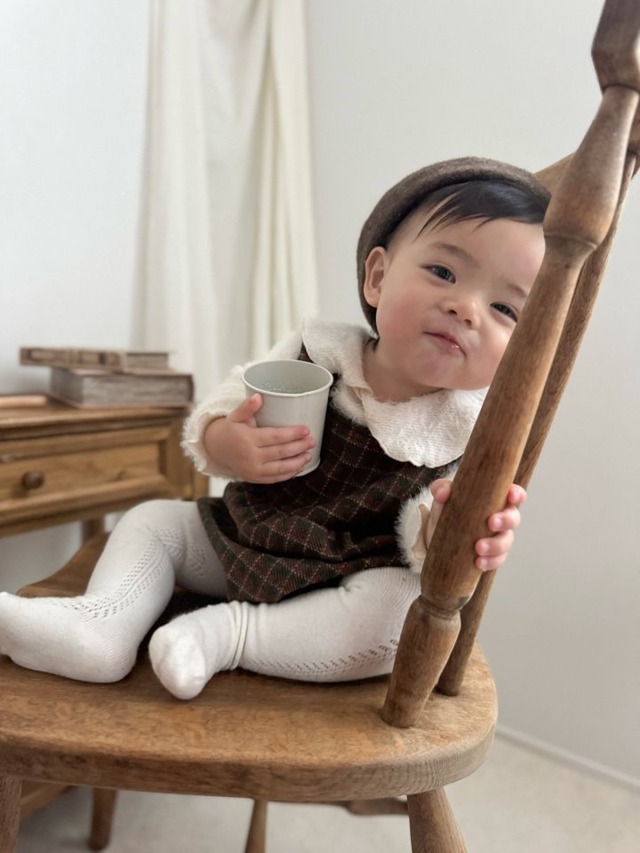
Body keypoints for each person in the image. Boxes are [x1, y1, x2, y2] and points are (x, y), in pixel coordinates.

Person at [0, 156, 549, 700]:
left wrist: (447, 532)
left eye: (505, 308)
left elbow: (428, 548)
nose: (466, 309)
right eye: (444, 273)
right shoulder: (320, 353)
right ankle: (102, 627)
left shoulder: (474, 431)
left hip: (343, 587)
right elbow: (226, 405)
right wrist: (227, 441)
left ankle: (229, 636)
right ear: (378, 278)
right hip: (247, 538)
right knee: (154, 520)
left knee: (400, 611)